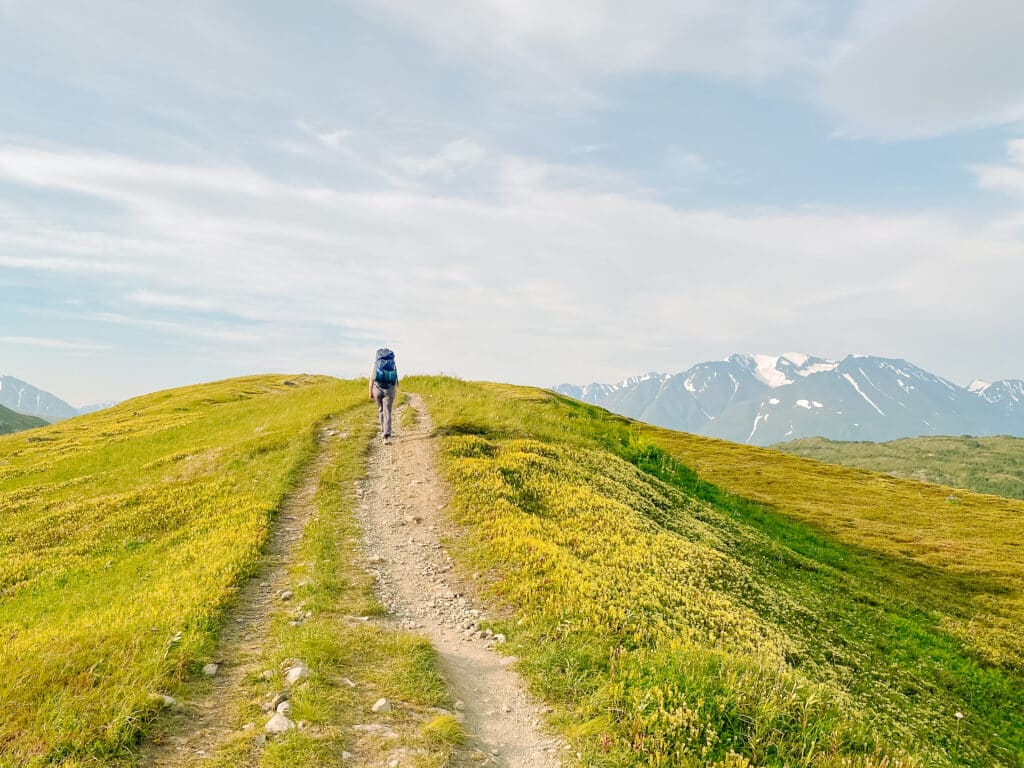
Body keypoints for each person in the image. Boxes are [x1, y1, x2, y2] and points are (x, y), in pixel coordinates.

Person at [370, 348, 398, 441]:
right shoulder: (392, 364)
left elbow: (371, 379)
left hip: (377, 388)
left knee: (381, 410)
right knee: (387, 411)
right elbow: (395, 379)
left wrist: (370, 391)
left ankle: (383, 431)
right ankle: (387, 434)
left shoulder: (375, 365)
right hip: (389, 389)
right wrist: (394, 391)